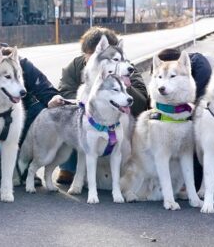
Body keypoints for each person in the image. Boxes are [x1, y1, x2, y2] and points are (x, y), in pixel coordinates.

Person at [56, 27, 150, 184]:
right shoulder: (75, 66)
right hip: (87, 122)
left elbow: (141, 103)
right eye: (91, 55)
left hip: (117, 127)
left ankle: (127, 171)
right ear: (85, 54)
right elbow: (65, 91)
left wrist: (124, 86)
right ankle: (69, 166)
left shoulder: (124, 67)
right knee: (63, 118)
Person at [0, 42, 62, 182]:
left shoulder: (21, 64)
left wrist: (53, 98)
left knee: (41, 112)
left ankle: (24, 166)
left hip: (20, 119)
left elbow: (44, 87)